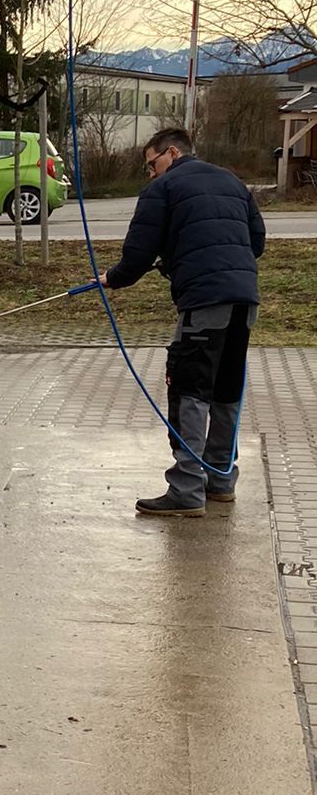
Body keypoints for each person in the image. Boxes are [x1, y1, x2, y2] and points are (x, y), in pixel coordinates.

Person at [104, 126, 264, 516]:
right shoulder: (231, 181)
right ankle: (221, 482)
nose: (150, 173)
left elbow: (137, 254)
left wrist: (113, 279)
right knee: (226, 389)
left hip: (204, 302)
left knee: (189, 390)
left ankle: (187, 490)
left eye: (152, 164)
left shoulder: (162, 189)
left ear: (172, 153)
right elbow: (255, 242)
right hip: (245, 300)